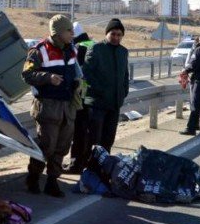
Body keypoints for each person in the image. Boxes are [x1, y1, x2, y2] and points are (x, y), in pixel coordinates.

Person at [23, 14, 81, 197]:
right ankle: (33, 177)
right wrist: (48, 78)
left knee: (62, 147)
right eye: (69, 30)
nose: (73, 33)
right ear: (58, 33)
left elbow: (76, 70)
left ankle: (52, 181)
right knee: (46, 146)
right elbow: (26, 75)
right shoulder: (39, 50)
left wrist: (79, 82)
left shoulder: (71, 49)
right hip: (48, 107)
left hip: (68, 106)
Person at [82, 18, 130, 155]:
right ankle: (90, 169)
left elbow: (125, 75)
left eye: (119, 34)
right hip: (97, 104)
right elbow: (86, 74)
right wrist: (100, 91)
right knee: (94, 140)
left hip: (114, 104)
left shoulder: (123, 52)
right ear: (107, 33)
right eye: (113, 34)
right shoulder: (96, 49)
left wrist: (123, 91)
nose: (116, 37)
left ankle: (103, 167)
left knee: (108, 139)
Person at [66, 22, 95, 173]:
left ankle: (76, 164)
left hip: (81, 95)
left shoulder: (77, 47)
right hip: (94, 96)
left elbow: (74, 71)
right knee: (89, 131)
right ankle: (86, 162)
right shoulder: (93, 44)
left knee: (79, 131)